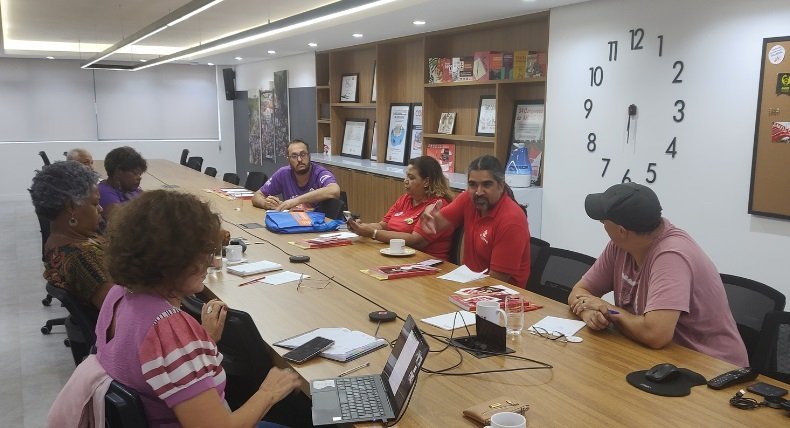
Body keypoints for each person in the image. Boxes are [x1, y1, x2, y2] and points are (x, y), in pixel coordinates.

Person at [98, 190, 301, 427]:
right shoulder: (169, 331)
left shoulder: (118, 295)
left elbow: (157, 364)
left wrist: (203, 341)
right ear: (171, 259)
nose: (211, 261)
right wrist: (269, 392)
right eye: (204, 253)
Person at [568, 182, 748, 366]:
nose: (602, 224)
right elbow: (579, 291)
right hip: (661, 360)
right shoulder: (619, 246)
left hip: (712, 368)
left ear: (622, 231)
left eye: (603, 221)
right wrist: (587, 312)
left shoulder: (671, 256)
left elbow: (655, 335)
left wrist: (607, 308)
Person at [421, 155, 531, 287]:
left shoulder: (512, 220)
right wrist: (428, 213)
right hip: (469, 283)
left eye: (486, 184)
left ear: (501, 186)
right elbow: (434, 225)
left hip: (501, 294)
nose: (478, 192)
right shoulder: (468, 199)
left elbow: (496, 282)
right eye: (473, 185)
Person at [30, 161, 112, 309]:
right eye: (95, 203)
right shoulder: (81, 258)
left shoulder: (60, 240)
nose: (100, 209)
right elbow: (120, 311)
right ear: (71, 207)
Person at [347, 156, 455, 260]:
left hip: (426, 261)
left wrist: (372, 233)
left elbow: (417, 240)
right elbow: (383, 225)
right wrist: (362, 227)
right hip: (399, 255)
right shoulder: (406, 198)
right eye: (406, 176)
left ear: (426, 182)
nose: (405, 181)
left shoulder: (438, 205)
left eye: (411, 178)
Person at [252, 139, 340, 211]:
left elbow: (334, 190)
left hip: (320, 223)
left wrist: (296, 201)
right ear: (288, 160)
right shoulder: (283, 174)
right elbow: (257, 196)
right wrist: (265, 204)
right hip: (294, 221)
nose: (299, 159)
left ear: (309, 156)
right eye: (294, 156)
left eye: (303, 154)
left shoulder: (320, 173)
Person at [98, 146, 147, 221]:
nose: (139, 178)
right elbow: (117, 221)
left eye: (140, 174)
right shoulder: (104, 192)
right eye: (135, 173)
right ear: (118, 172)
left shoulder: (132, 189)